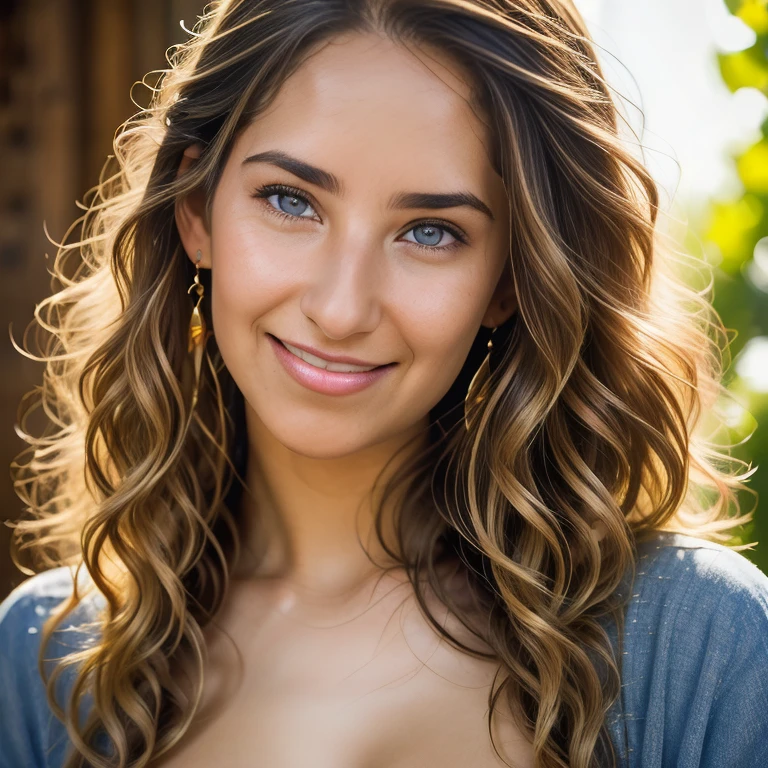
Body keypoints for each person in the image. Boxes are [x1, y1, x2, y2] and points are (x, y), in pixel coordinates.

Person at [1, 0, 767, 766]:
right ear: (196, 209)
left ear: (510, 278)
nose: (340, 310)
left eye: (430, 232)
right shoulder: (46, 667)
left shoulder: (696, 646)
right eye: (291, 200)